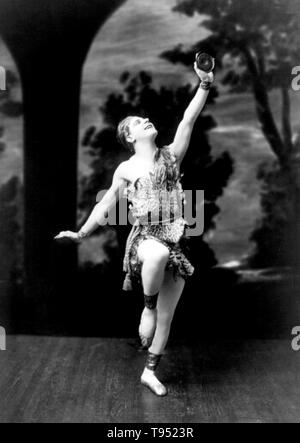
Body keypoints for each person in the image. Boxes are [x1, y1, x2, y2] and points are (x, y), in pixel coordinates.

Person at [55, 60, 214, 396]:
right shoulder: (126, 168)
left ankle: (149, 371)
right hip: (146, 239)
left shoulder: (172, 156)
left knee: (167, 319)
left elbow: (189, 119)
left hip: (175, 241)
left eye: (145, 119)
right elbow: (106, 205)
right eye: (138, 123)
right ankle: (147, 305)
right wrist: (81, 233)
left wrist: (204, 84)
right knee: (155, 260)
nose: (146, 120)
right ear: (129, 136)